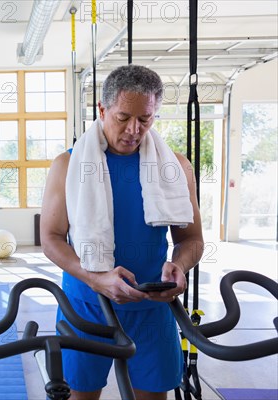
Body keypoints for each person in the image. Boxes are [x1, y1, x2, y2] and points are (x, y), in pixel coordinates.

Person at [40, 65, 204, 400]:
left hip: (152, 310)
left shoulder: (176, 166)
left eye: (145, 119)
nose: (134, 130)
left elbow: (191, 239)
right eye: (123, 117)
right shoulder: (67, 166)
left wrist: (181, 267)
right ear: (102, 110)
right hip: (86, 306)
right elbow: (51, 239)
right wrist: (95, 278)